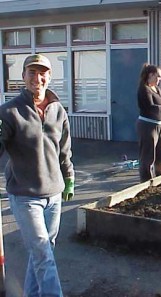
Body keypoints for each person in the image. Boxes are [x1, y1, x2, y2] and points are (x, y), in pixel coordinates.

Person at [0, 54, 74, 296]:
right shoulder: (9, 112)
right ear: (23, 77)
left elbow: (64, 149)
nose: (37, 78)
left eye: (42, 73)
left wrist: (69, 178)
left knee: (43, 251)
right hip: (25, 195)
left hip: (54, 194)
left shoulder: (58, 111)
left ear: (49, 77)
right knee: (42, 252)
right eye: (32, 72)